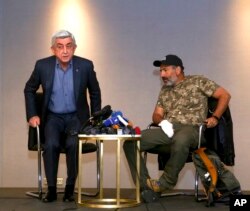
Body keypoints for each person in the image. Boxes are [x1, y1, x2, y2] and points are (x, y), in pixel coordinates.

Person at [123, 54, 231, 202]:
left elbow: (225, 95)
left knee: (181, 140)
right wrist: (162, 122)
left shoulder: (198, 81)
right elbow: (156, 114)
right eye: (161, 71)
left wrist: (215, 117)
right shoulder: (165, 91)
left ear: (178, 69)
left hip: (192, 130)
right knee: (130, 142)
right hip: (168, 130)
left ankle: (164, 183)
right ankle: (146, 188)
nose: (162, 75)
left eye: (165, 70)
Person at [24, 30, 101, 202]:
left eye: (68, 46)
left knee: (73, 144)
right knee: (50, 144)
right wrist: (32, 114)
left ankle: (69, 188)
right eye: (60, 47)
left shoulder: (86, 66)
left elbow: (95, 92)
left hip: (76, 117)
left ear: (74, 48)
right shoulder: (42, 66)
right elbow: (29, 89)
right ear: (53, 49)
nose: (64, 51)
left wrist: (96, 118)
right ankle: (51, 189)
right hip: (53, 117)